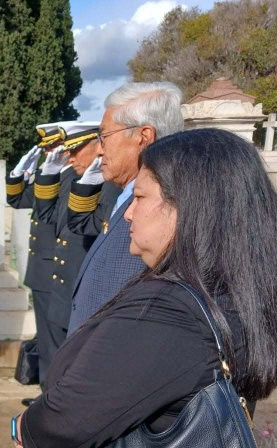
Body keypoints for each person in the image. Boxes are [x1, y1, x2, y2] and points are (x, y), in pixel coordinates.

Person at [13, 127, 277, 448]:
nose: (128, 212)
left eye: (140, 197)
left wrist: (25, 428)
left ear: (189, 208)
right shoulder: (233, 293)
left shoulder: (169, 314)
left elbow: (65, 417)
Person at [67, 81, 183, 334]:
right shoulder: (126, 194)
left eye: (104, 136)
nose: (98, 149)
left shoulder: (166, 209)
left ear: (144, 137)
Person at [30, 122, 121, 378]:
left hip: (82, 286)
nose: (69, 156)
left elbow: (87, 226)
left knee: (75, 368)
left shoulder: (110, 184)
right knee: (56, 361)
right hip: (63, 285)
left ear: (98, 145)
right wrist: (47, 174)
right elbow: (48, 215)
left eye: (76, 149)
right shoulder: (74, 179)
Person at [5, 122, 76, 391]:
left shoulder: (73, 179)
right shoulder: (52, 176)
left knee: (57, 342)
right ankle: (46, 393)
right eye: (46, 148)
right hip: (40, 270)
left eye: (54, 147)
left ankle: (53, 395)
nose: (49, 153)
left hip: (55, 272)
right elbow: (17, 200)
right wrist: (18, 172)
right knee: (45, 340)